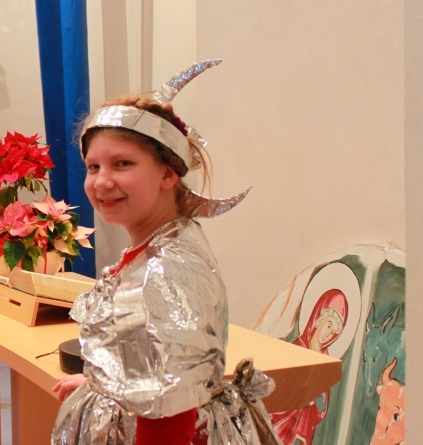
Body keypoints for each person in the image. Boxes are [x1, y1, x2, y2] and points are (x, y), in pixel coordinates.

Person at [51, 61, 279, 445]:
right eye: (93, 166)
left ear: (168, 173)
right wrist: (103, 384)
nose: (102, 181)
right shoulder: (159, 242)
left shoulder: (166, 270)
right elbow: (149, 355)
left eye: (122, 164)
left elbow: (169, 408)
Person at [270, 289, 348, 444]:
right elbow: (280, 390)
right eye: (328, 325)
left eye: (333, 332)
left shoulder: (325, 364)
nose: (328, 334)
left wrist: (318, 402)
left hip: (303, 430)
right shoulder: (296, 349)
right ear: (318, 319)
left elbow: (320, 408)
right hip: (281, 424)